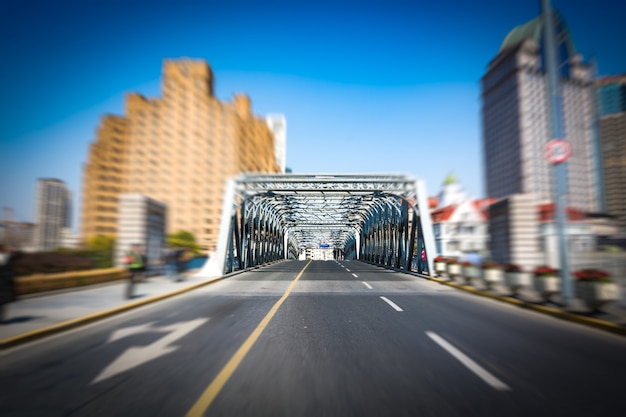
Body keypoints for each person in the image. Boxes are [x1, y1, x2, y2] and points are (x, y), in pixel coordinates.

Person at [0, 245, 18, 324]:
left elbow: (19, 256)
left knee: (3, 303)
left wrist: (13, 250)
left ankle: (1, 319)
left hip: (5, 284)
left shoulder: (9, 256)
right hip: (4, 283)